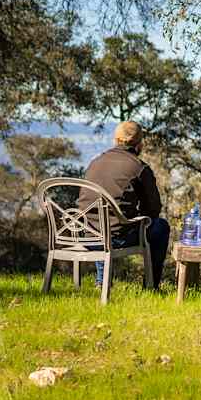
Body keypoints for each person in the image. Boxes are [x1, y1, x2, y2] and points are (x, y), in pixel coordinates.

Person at [79, 120, 169, 290]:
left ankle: (102, 282)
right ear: (139, 143)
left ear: (116, 139)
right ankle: (151, 287)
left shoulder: (95, 162)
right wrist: (137, 217)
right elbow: (154, 210)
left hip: (87, 236)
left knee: (103, 223)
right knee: (161, 227)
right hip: (116, 240)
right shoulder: (139, 168)